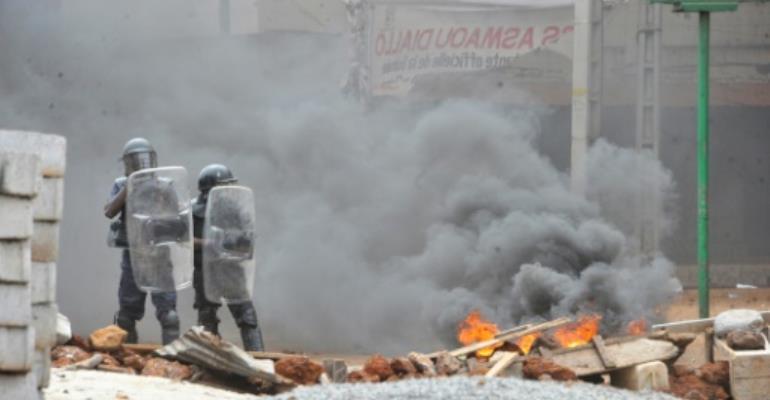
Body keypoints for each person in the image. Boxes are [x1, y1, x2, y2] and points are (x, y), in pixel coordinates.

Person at [104, 138, 181, 344]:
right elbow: (109, 211)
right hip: (133, 253)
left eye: (145, 159)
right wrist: (129, 187)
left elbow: (177, 219)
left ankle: (172, 359)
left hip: (159, 254)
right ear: (127, 164)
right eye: (136, 160)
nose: (141, 163)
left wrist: (158, 224)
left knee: (169, 316)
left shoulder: (165, 186)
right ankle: (127, 358)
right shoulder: (121, 185)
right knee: (126, 317)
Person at [192, 164, 264, 351]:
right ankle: (211, 363)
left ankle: (259, 362)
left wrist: (228, 242)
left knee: (247, 318)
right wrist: (208, 244)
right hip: (206, 271)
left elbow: (246, 240)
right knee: (207, 322)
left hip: (232, 268)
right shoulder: (192, 211)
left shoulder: (234, 210)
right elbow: (183, 241)